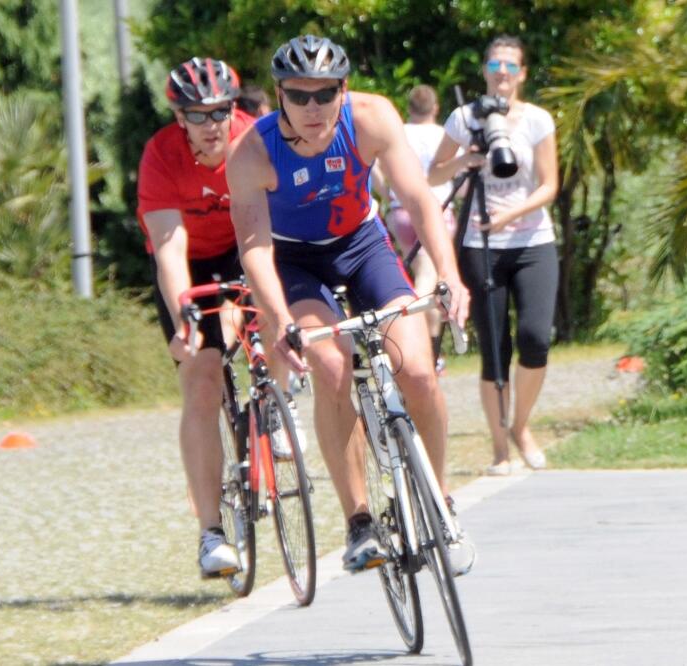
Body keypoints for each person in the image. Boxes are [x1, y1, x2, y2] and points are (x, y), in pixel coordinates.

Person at [227, 35, 471, 573]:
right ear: (280, 95)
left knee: (419, 369)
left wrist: (451, 275)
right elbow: (254, 247)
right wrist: (282, 319)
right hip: (296, 262)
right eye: (298, 95)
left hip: (363, 245)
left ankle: (440, 495)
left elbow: (418, 200)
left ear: (344, 89)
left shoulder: (370, 118)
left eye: (325, 94)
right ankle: (359, 520)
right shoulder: (251, 152)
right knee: (333, 365)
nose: (313, 108)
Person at [137, 57, 255, 578]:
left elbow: (268, 231)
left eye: (220, 112)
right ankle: (211, 532)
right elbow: (169, 248)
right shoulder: (161, 155)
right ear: (178, 117)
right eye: (198, 115)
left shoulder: (254, 140)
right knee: (202, 379)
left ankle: (279, 411)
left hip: (247, 247)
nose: (212, 125)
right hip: (190, 264)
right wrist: (187, 317)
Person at [428, 35, 559, 476]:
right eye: (495, 63)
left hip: (532, 241)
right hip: (481, 247)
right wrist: (466, 159)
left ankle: (521, 426)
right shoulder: (464, 118)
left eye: (511, 65)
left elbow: (549, 184)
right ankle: (500, 447)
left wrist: (512, 215)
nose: (502, 71)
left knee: (537, 337)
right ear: (485, 70)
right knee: (494, 350)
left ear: (521, 74)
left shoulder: (537, 120)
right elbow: (433, 174)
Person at [372, 84, 458, 373]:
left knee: (425, 277)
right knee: (427, 281)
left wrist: (388, 194)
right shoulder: (442, 135)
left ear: (409, 108)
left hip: (400, 212)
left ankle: (430, 353)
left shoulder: (400, 132)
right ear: (435, 109)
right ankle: (410, 333)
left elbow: (374, 166)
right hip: (436, 211)